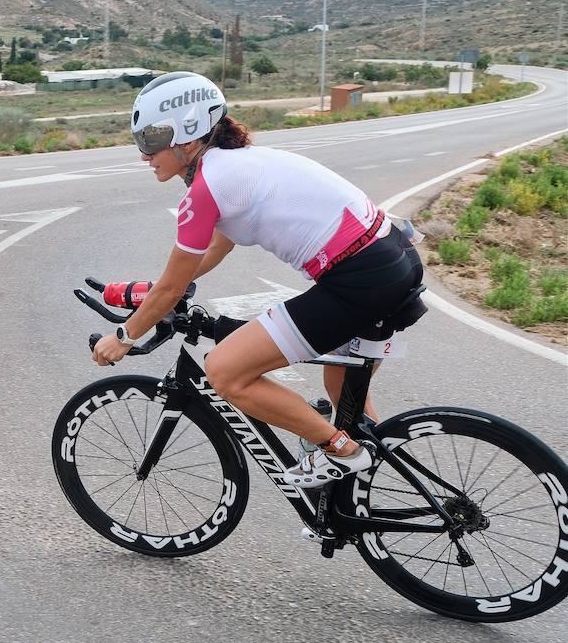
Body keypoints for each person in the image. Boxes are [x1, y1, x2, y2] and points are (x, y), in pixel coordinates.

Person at [91, 72, 424, 488]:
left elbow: (175, 287)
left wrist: (123, 337)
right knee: (342, 394)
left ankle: (342, 452)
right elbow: (213, 251)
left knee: (225, 371)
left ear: (189, 135)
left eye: (151, 139)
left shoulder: (208, 186)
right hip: (395, 260)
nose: (145, 154)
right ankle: (359, 507)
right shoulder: (236, 166)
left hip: (360, 279)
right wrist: (151, 292)